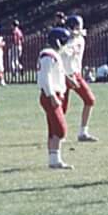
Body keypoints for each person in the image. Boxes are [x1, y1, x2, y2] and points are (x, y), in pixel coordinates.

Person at [35, 26, 73, 170]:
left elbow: (57, 73)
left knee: (53, 129)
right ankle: (55, 160)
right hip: (50, 94)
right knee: (60, 129)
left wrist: (68, 79)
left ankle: (54, 160)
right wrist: (51, 95)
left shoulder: (53, 55)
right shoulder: (48, 55)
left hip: (55, 94)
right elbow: (46, 77)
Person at [60, 15, 98, 142]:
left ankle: (83, 132)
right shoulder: (63, 40)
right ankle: (59, 133)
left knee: (90, 100)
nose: (80, 29)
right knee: (62, 107)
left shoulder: (80, 40)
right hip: (64, 75)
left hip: (76, 74)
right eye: (77, 27)